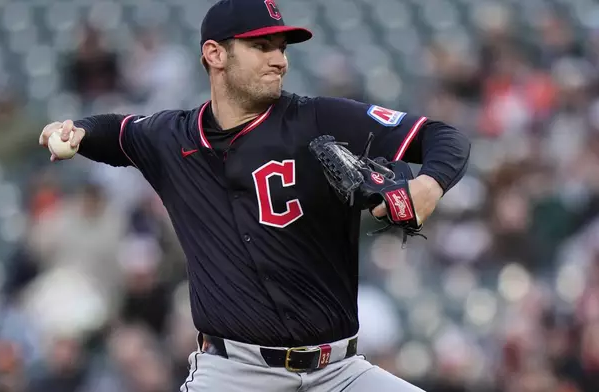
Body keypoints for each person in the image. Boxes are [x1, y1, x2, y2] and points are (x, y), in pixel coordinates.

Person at [38, 0, 471, 390]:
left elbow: (441, 136)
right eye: (262, 47)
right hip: (232, 375)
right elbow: (118, 132)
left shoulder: (318, 117)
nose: (279, 60)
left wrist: (428, 184)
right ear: (215, 54)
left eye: (282, 48)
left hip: (339, 372)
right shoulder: (171, 138)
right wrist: (77, 131)